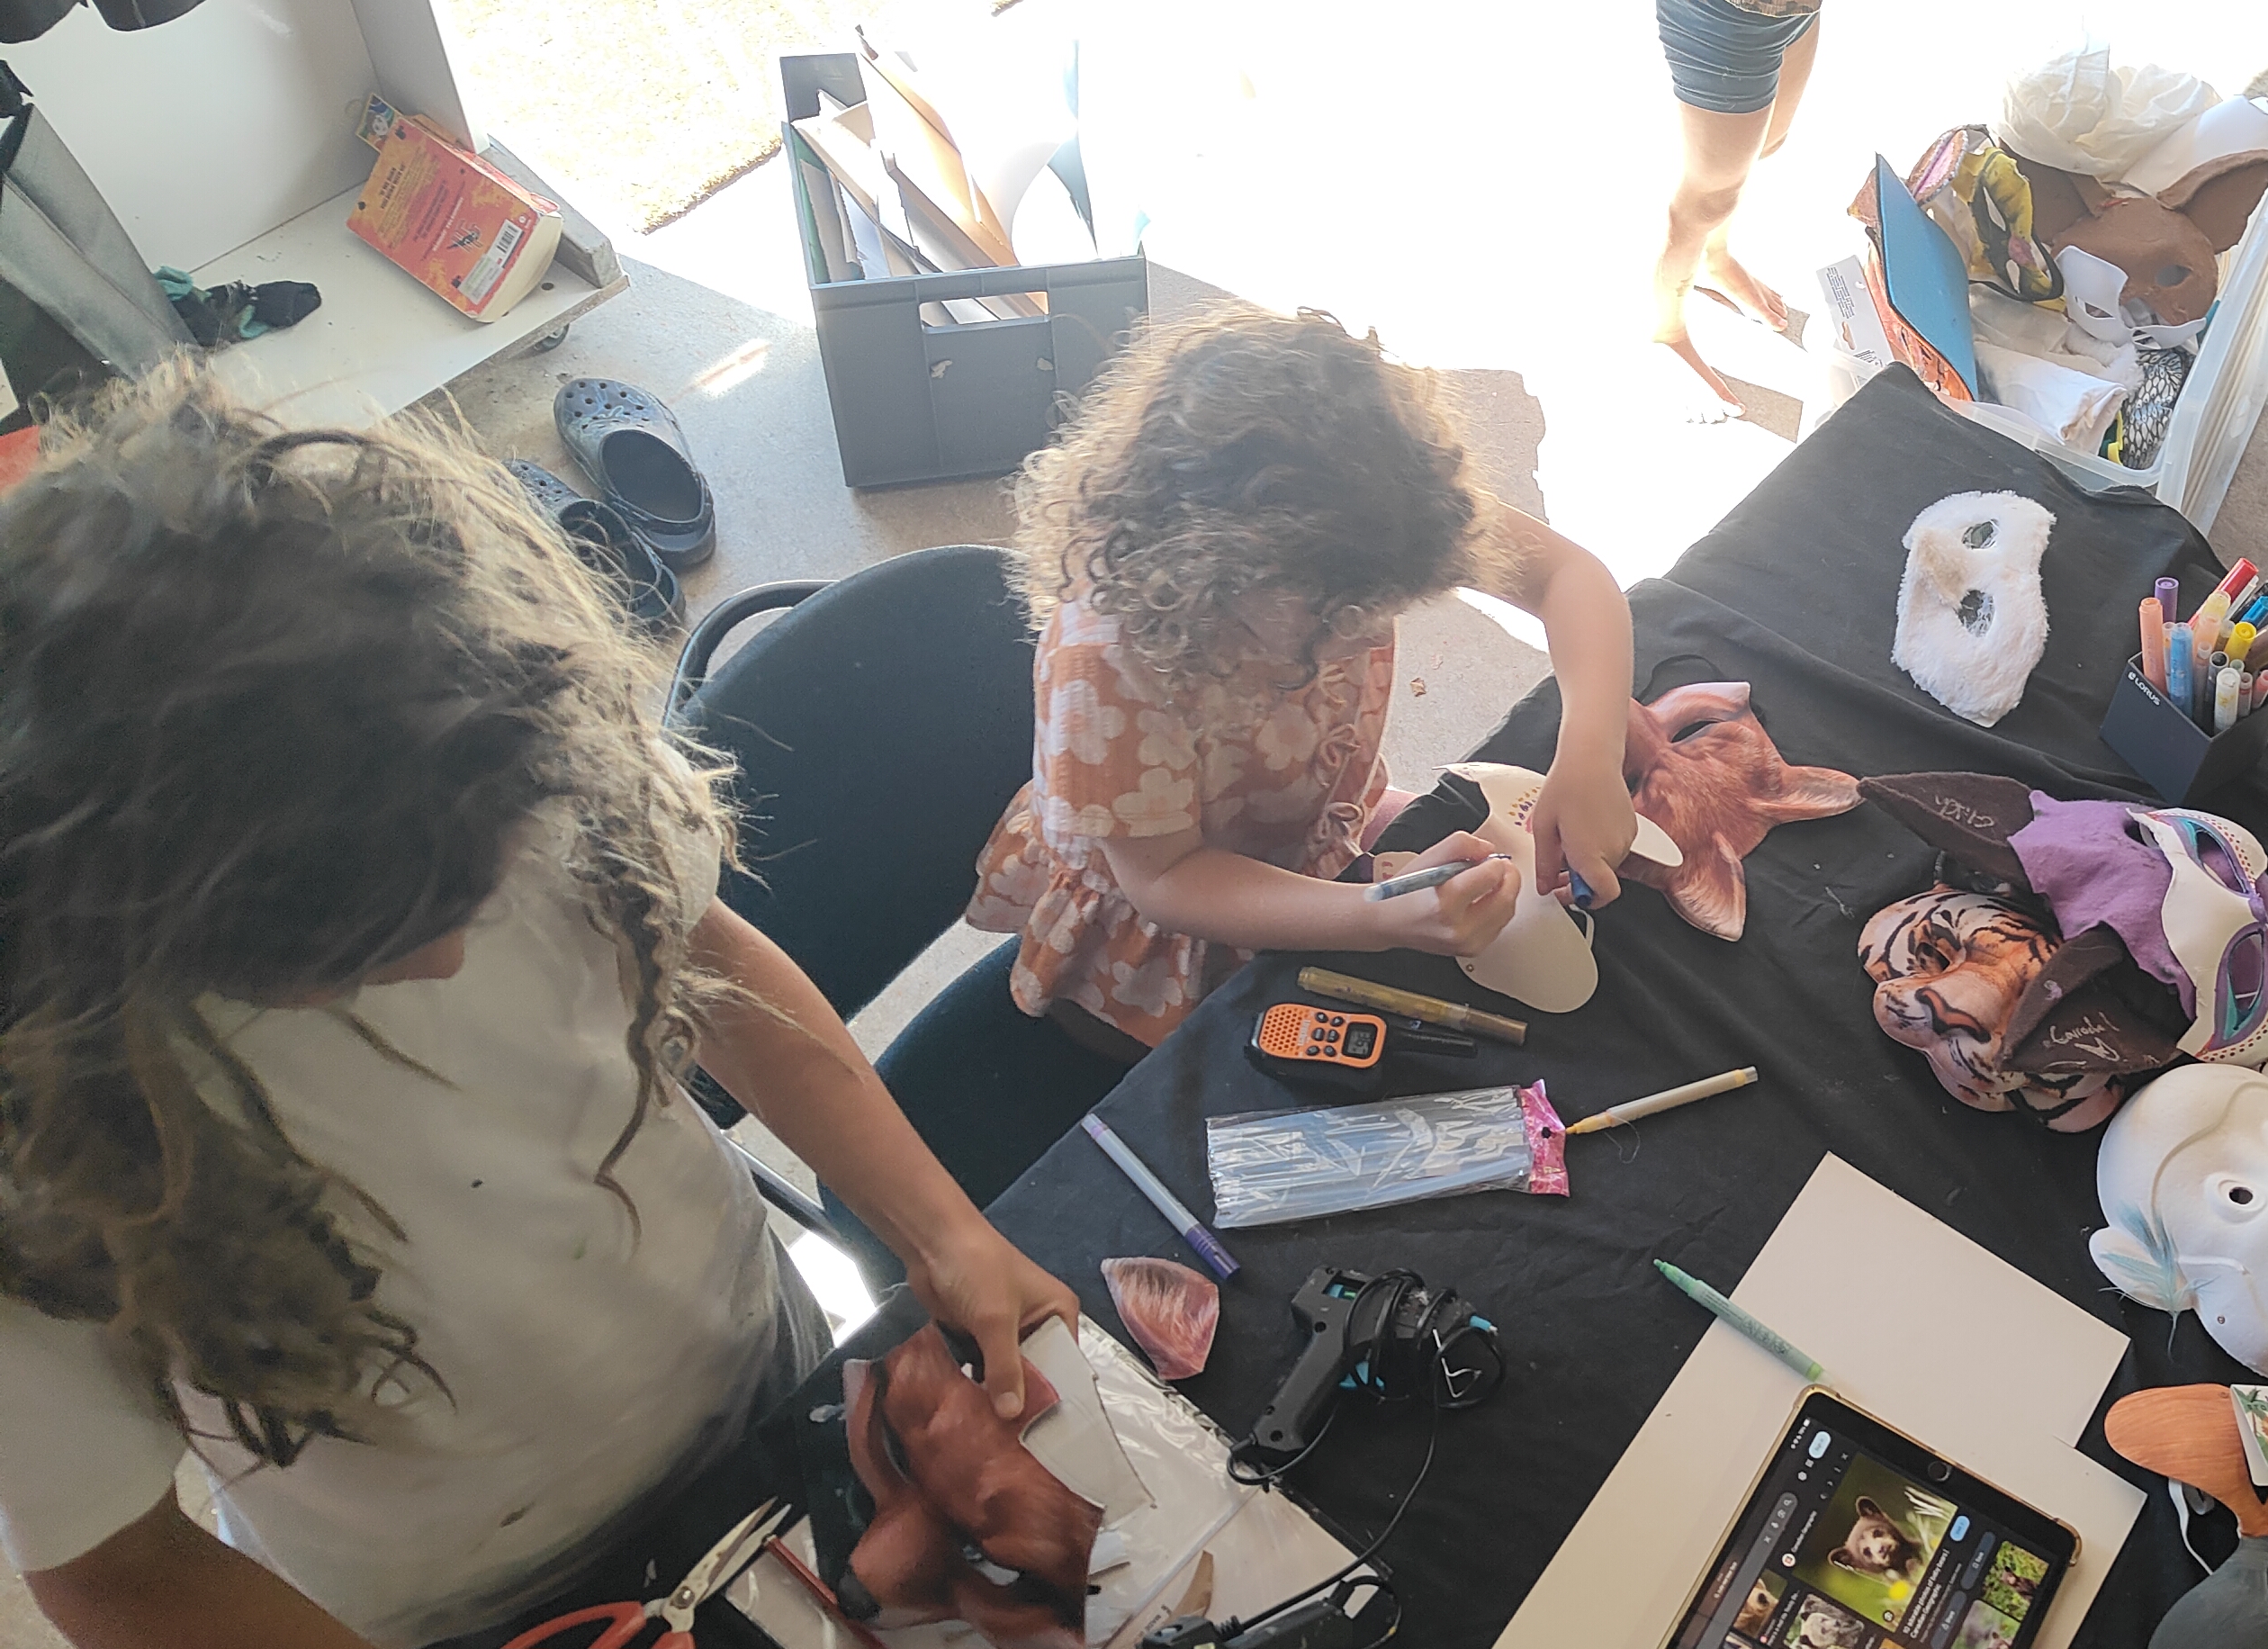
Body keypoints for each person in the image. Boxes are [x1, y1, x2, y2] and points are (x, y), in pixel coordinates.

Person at [0, 365, 1076, 1648]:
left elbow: (711, 958)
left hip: (762, 1370)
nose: (452, 958)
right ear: (150, 920)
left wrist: (942, 1229)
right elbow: (113, 1563)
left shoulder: (472, 738)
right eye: (371, 944)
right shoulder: (38, 1134)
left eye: (476, 882)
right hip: (463, 1591)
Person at [966, 303, 1638, 1054]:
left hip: (1307, 827)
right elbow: (1166, 878)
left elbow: (1567, 575)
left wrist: (1590, 751)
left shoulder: (1376, 516)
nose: (1369, 640)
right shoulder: (1112, 661)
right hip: (1161, 948)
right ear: (1206, 579)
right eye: (1336, 620)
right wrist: (1376, 917)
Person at [1648, 0, 1822, 414]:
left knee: (1768, 143)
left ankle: (1715, 257)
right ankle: (1665, 331)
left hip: (1795, 10)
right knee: (1708, 202)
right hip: (1722, 16)